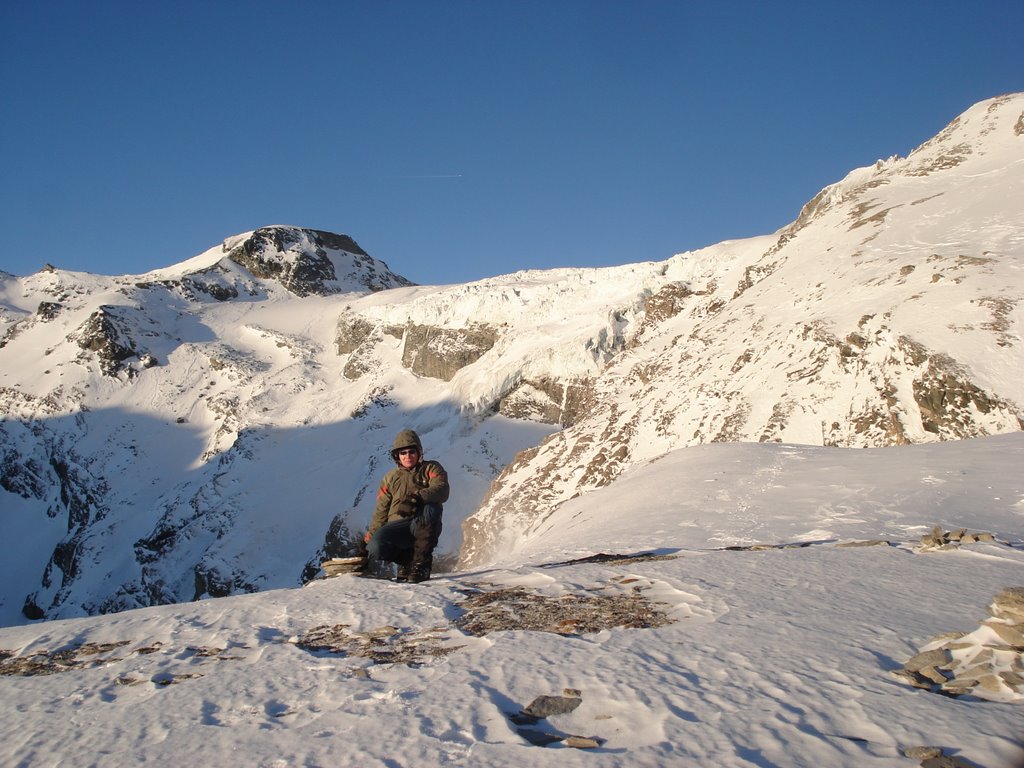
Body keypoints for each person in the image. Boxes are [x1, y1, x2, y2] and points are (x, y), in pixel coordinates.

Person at [364, 429, 449, 582]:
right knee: (375, 548)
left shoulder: (431, 468)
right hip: (397, 525)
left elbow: (442, 489)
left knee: (431, 507)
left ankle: (421, 565)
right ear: (397, 456)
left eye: (411, 451)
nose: (408, 456)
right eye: (403, 453)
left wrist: (418, 496)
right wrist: (369, 537)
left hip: (422, 522)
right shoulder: (390, 478)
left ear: (418, 452)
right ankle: (407, 561)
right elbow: (381, 509)